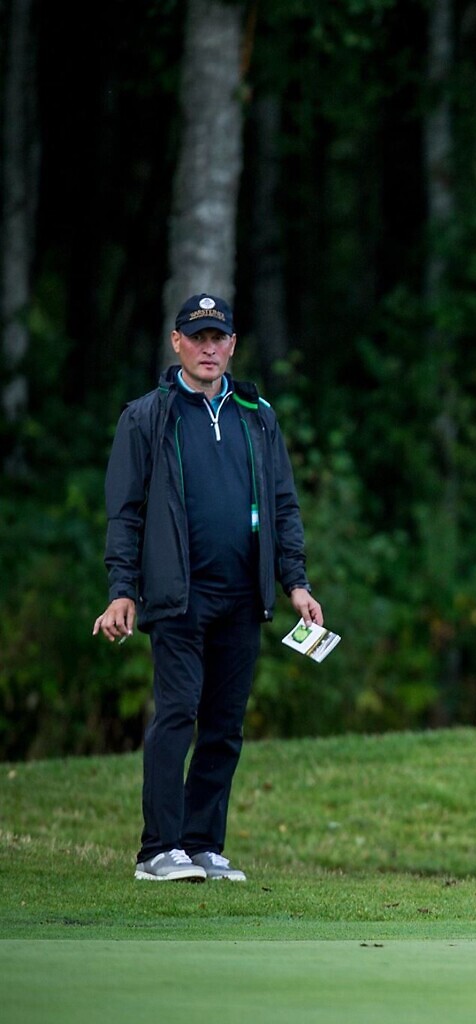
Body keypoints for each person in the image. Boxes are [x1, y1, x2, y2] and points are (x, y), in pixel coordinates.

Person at [93, 293, 322, 883]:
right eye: (197, 338)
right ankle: (157, 850)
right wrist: (122, 589)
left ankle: (201, 845)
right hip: (177, 596)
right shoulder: (147, 416)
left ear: (233, 345)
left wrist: (296, 582)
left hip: (243, 596)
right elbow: (126, 513)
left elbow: (283, 505)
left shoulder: (256, 414)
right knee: (177, 714)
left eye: (218, 337)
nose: (208, 348)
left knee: (224, 723)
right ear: (177, 343)